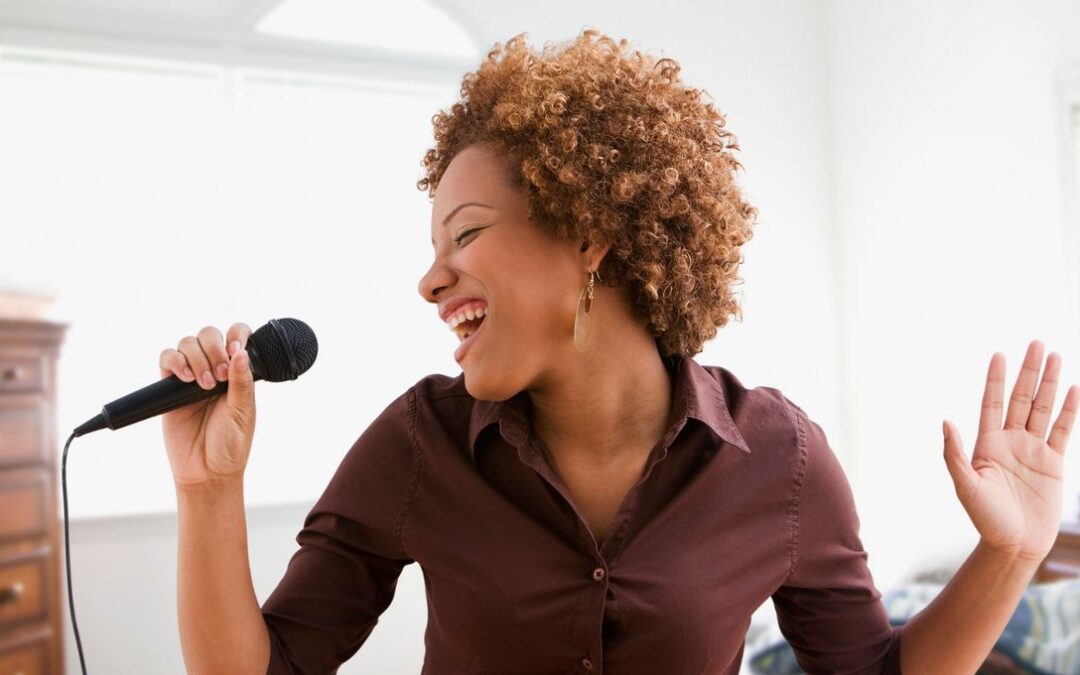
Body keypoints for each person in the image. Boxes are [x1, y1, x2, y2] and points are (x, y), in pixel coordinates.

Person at [160, 29, 1077, 675]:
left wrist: (1009, 552)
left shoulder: (783, 458)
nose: (431, 281)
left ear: (589, 233)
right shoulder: (416, 444)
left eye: (465, 234)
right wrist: (208, 492)